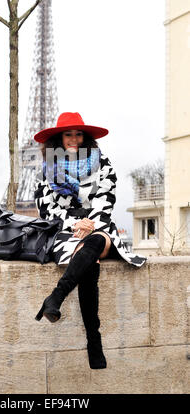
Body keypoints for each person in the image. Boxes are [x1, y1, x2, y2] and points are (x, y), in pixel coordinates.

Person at [33, 112, 147, 370]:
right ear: (59, 138)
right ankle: (94, 340)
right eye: (68, 134)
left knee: (94, 241)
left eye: (78, 133)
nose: (73, 138)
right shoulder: (48, 168)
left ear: (84, 137)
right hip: (66, 230)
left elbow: (107, 197)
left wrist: (91, 222)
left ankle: (56, 296)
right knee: (89, 261)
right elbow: (46, 209)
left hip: (99, 226)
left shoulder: (102, 163)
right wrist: (75, 223)